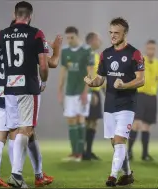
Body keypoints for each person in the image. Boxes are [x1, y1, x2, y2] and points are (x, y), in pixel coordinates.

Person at [0, 18, 62, 187]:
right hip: (17, 93)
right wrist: (56, 49)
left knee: (3, 138)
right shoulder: (27, 47)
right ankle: (17, 176)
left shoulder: (0, 49)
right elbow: (51, 63)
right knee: (21, 133)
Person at [84, 17, 145, 186]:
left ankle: (112, 176)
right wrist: (92, 82)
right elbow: (101, 79)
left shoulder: (135, 53)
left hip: (127, 104)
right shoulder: (105, 54)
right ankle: (127, 174)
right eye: (111, 32)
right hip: (109, 104)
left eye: (116, 33)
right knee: (114, 141)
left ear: (125, 33)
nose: (113, 36)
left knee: (119, 140)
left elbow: (141, 80)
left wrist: (125, 85)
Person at [127, 39, 158, 161]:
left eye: (153, 49)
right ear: (146, 49)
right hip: (139, 95)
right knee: (137, 124)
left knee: (147, 126)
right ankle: (129, 152)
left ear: (156, 50)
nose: (151, 51)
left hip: (152, 97)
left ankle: (145, 154)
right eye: (149, 48)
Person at [58, 26, 94, 162]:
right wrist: (59, 91)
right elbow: (63, 72)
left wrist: (85, 91)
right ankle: (74, 153)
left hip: (82, 91)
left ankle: (80, 153)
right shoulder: (65, 51)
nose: (69, 40)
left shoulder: (86, 50)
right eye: (67, 38)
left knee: (80, 119)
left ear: (77, 36)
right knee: (70, 120)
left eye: (72, 37)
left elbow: (90, 72)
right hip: (70, 91)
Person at [83, 32, 103, 161]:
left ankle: (88, 151)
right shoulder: (86, 55)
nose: (100, 41)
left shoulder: (95, 55)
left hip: (96, 91)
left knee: (93, 122)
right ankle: (83, 151)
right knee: (86, 121)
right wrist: (89, 92)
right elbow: (84, 75)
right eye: (98, 39)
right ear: (92, 40)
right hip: (89, 91)